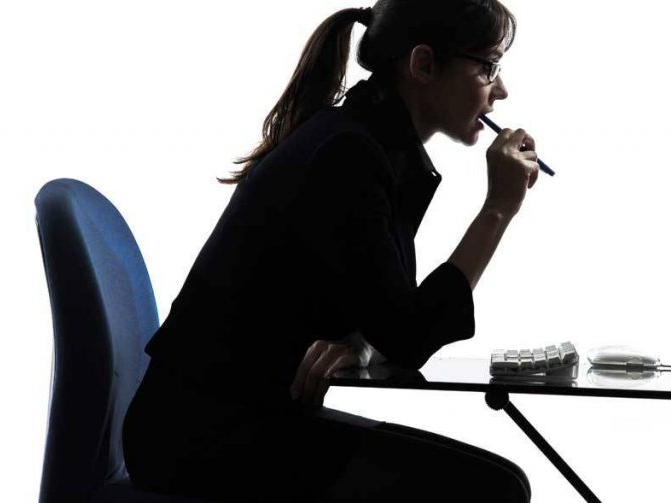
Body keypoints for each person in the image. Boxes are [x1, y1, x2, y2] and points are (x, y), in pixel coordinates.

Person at [122, 0, 540, 501]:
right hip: (198, 438)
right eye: (487, 67)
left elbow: (386, 313)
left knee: (499, 483)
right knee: (492, 490)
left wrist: (360, 339)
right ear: (424, 64)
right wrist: (498, 208)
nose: (501, 89)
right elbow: (409, 335)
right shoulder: (349, 154)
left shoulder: (369, 144)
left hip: (232, 422)